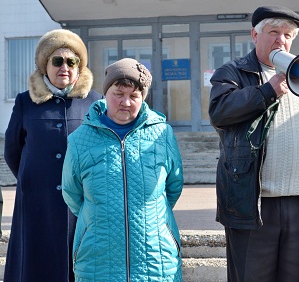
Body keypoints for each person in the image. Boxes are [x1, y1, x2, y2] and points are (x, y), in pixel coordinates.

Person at [208, 5, 299, 282]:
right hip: (254, 202)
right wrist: (268, 90)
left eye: (288, 35)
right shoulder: (232, 72)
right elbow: (220, 112)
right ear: (255, 35)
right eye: (274, 32)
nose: (281, 40)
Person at [61, 58, 184, 281]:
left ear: (143, 98)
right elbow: (72, 193)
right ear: (106, 93)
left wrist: (151, 219)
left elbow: (173, 187)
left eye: (134, 95)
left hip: (155, 258)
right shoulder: (80, 140)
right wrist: (100, 218)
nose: (126, 102)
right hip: (98, 258)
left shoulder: (162, 135)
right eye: (118, 94)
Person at [4, 29, 103, 282]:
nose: (65, 67)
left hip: (79, 202)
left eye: (72, 62)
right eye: (57, 61)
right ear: (45, 65)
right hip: (36, 201)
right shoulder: (26, 101)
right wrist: (31, 177)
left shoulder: (95, 102)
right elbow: (13, 150)